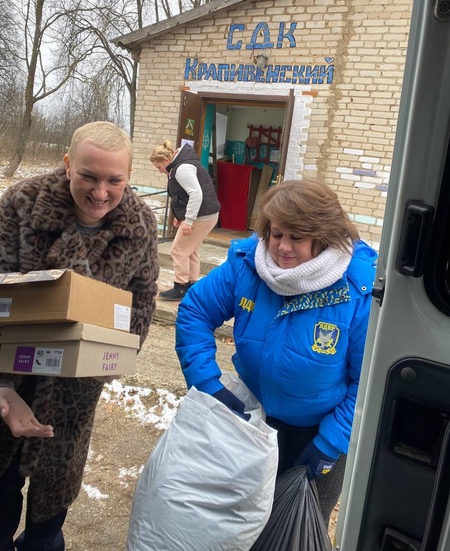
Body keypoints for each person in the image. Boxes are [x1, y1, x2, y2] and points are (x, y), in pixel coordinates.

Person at [175, 178, 377, 526]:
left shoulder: (355, 292)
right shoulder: (248, 265)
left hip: (319, 432)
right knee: (244, 521)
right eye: (276, 234)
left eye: (296, 237)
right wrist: (207, 383)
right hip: (254, 424)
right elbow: (195, 311)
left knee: (298, 527)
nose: (282, 247)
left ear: (323, 237)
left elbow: (369, 380)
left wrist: (331, 441)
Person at [0, 121, 159, 551]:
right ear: (67, 164)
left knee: (48, 524)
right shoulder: (21, 206)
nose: (101, 192)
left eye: (115, 180)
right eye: (88, 175)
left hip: (73, 396)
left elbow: (141, 300)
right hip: (6, 387)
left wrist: (109, 358)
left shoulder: (139, 225)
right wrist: (2, 389)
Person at [150, 140, 220, 302]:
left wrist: (188, 220)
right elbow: (183, 196)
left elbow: (196, 194)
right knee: (190, 249)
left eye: (159, 167)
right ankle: (191, 285)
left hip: (202, 215)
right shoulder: (181, 165)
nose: (160, 171)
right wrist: (180, 217)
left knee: (178, 250)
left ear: (166, 160)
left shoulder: (182, 169)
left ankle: (180, 286)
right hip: (207, 214)